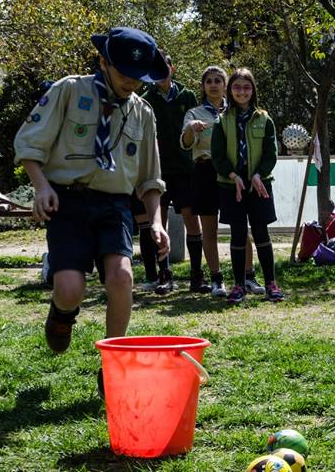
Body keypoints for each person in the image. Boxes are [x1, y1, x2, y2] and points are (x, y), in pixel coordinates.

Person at [14, 27, 170, 383]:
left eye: (139, 77)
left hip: (114, 205)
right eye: (124, 73)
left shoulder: (142, 112)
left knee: (122, 277)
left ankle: (113, 365)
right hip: (68, 201)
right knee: (70, 289)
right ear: (103, 62)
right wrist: (41, 187)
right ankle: (61, 314)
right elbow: (29, 143)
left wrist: (156, 221)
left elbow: (150, 177)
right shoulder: (69, 90)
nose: (131, 82)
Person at [180, 66, 257, 297]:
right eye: (209, 81)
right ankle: (216, 279)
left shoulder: (235, 111)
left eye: (218, 80)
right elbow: (185, 143)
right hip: (204, 172)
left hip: (232, 174)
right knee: (209, 230)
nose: (213, 85)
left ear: (226, 85)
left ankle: (249, 276)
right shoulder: (194, 113)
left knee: (240, 227)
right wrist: (191, 129)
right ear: (203, 86)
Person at [210, 67, 284, 304]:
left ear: (253, 90)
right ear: (229, 90)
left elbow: (271, 154)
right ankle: (239, 285)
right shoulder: (222, 120)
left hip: (259, 185)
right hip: (232, 186)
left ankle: (271, 283)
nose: (241, 92)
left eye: (246, 87)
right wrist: (233, 176)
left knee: (261, 232)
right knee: (238, 234)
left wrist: (258, 175)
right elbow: (217, 156)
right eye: (237, 87)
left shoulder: (264, 118)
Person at [135, 55, 200, 295]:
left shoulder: (187, 96)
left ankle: (197, 275)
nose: (160, 73)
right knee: (158, 222)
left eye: (164, 67)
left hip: (184, 169)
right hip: (157, 171)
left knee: (191, 219)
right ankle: (164, 275)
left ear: (172, 68)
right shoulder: (145, 100)